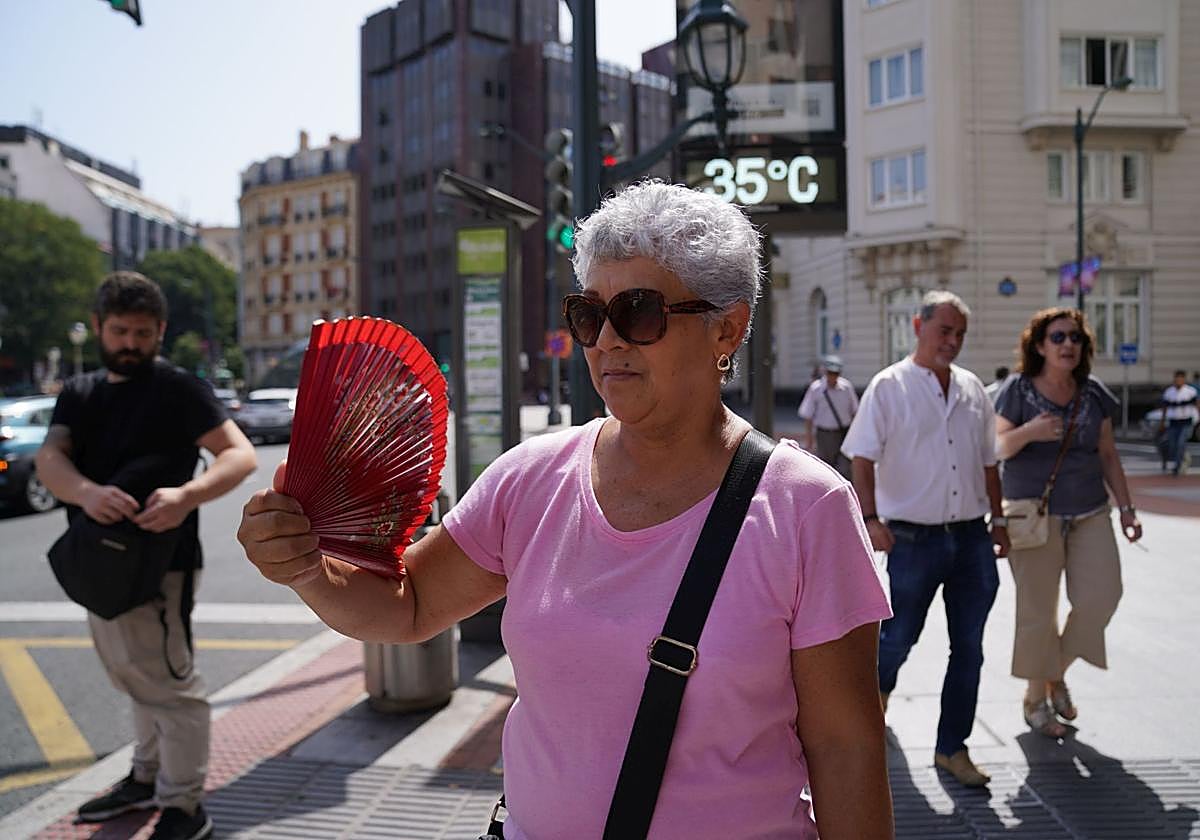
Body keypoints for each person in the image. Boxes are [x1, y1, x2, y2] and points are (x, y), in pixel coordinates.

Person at [238, 181, 894, 839]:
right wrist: (305, 569)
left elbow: (846, 749)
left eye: (638, 312)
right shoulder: (530, 479)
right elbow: (406, 606)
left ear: (727, 327)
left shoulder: (807, 507)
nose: (607, 340)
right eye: (588, 314)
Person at [35, 272, 257, 840]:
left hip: (163, 565)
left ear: (160, 331)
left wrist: (187, 497)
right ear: (102, 328)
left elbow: (239, 455)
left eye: (141, 331)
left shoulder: (179, 389)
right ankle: (145, 776)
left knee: (170, 687)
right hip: (98, 564)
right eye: (118, 331)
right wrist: (85, 491)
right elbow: (51, 459)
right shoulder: (79, 392)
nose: (130, 342)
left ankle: (185, 808)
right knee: (138, 679)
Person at [842, 289, 1009, 789]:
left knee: (970, 649)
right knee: (897, 639)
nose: (952, 341)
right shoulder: (889, 386)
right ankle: (875, 700)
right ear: (919, 326)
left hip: (972, 539)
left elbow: (988, 462)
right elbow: (862, 458)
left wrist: (999, 521)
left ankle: (951, 748)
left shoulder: (973, 388)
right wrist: (870, 517)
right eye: (944, 331)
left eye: (960, 334)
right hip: (912, 541)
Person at [993, 308, 1143, 739]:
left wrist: (1128, 509)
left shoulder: (1093, 393)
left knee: (1102, 596)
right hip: (1033, 514)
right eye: (1057, 337)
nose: (1068, 345)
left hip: (1090, 509)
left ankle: (1052, 672)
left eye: (1075, 338)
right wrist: (1030, 432)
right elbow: (997, 446)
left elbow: (1108, 454)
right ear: (1039, 345)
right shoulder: (1017, 390)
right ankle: (1035, 700)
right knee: (1038, 611)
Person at [797, 354, 858, 478]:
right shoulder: (816, 389)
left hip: (843, 433)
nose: (833, 377)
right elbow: (808, 415)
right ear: (825, 372)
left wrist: (855, 435)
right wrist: (809, 438)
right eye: (830, 373)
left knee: (845, 469)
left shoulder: (846, 388)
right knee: (825, 469)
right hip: (824, 434)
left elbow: (855, 411)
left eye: (836, 373)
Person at [1158, 369, 1198, 475]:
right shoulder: (1169, 392)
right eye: (1176, 379)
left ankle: (1177, 466)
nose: (1178, 381)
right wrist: (1162, 422)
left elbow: (1197, 405)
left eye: (1180, 379)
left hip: (1186, 421)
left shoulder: (1190, 391)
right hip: (1173, 422)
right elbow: (1165, 407)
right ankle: (1184, 457)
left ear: (1184, 380)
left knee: (1181, 443)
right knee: (1173, 444)